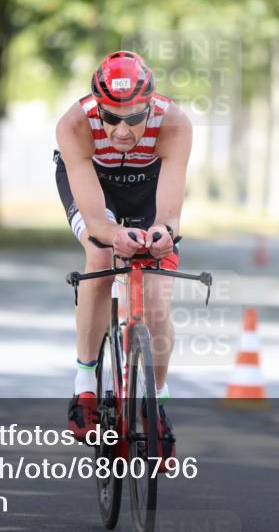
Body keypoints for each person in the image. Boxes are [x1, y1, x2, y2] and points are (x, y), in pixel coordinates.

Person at [54, 51, 192, 455]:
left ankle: (156, 405)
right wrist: (114, 234)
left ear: (150, 107)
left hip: (148, 187)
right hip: (95, 186)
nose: (121, 130)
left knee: (156, 296)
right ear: (97, 108)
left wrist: (163, 234)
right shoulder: (75, 125)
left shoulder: (174, 123)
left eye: (133, 118)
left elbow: (169, 215)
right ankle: (84, 386)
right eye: (111, 118)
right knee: (100, 257)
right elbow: (98, 221)